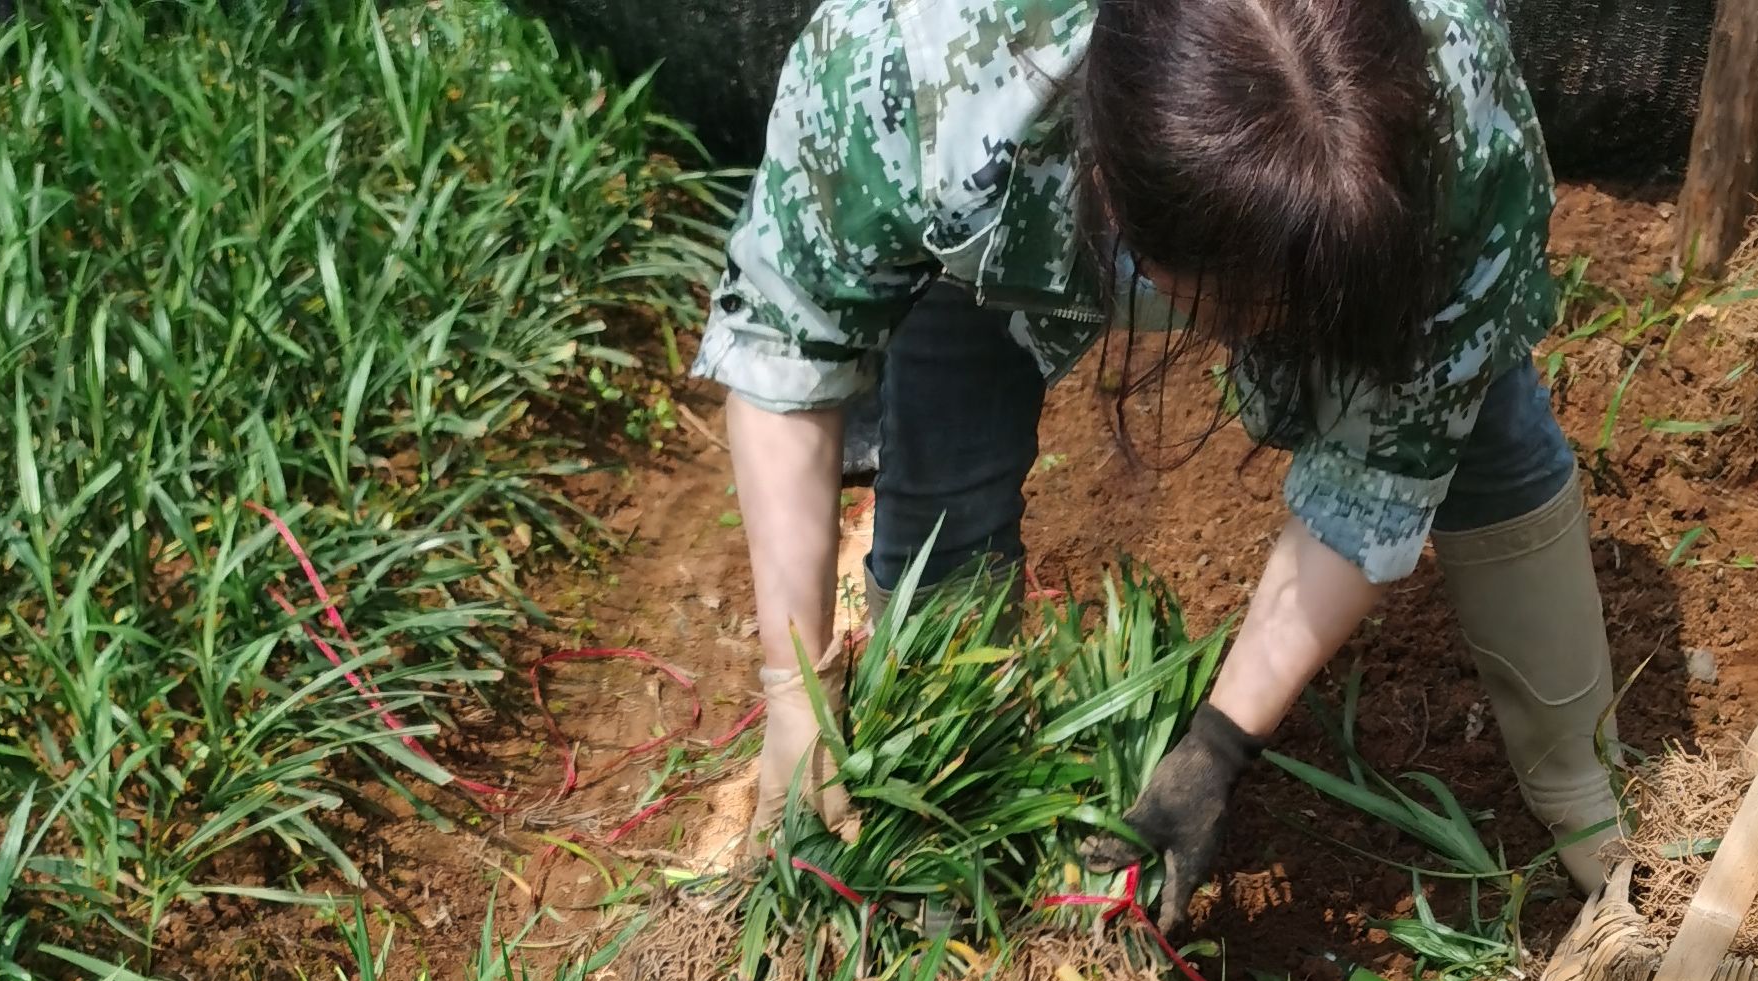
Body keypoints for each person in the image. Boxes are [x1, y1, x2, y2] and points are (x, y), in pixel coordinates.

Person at [693, 0, 1625, 916]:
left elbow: (1392, 453)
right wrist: (794, 690)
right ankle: (934, 787)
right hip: (1002, 177)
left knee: (1483, 418)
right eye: (1241, 309)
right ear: (1106, 191)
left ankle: (1586, 791)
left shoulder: (1449, 82)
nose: (1265, 336)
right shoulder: (910, 64)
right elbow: (788, 342)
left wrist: (1221, 741)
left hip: (1372, 201)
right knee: (946, 419)